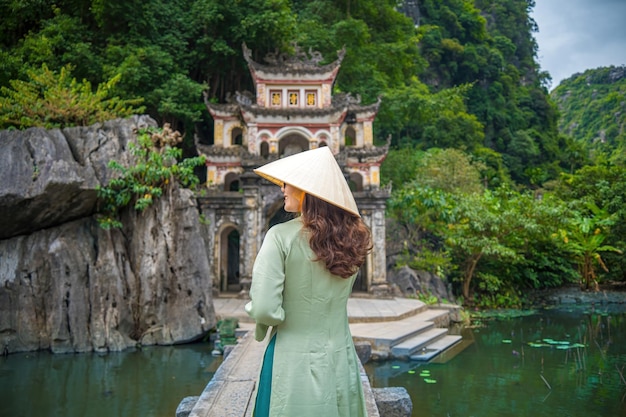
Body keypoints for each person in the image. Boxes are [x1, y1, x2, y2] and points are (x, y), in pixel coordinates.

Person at [245, 146, 372, 417]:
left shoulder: (280, 236)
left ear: (307, 190)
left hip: (292, 359)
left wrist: (257, 316)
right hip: (340, 356)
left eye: (288, 183)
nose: (282, 188)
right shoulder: (352, 241)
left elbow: (265, 309)